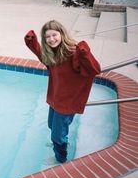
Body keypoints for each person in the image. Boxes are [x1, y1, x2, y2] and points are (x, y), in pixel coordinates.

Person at [24, 20, 101, 163]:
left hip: (67, 102)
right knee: (51, 125)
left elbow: (95, 69)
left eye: (54, 35)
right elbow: (41, 54)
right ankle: (59, 140)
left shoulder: (73, 53)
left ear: (62, 34)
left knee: (57, 134)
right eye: (47, 37)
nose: (51, 39)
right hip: (56, 98)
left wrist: (85, 53)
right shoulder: (52, 53)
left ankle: (60, 157)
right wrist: (31, 41)